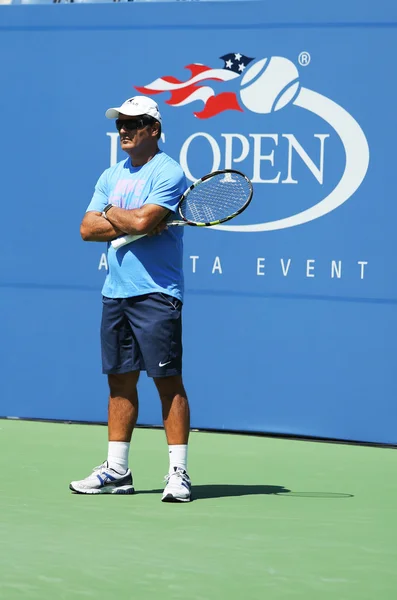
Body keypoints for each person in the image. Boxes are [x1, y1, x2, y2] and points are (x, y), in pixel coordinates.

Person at [69, 96, 191, 502]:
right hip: (115, 293)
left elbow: (140, 220)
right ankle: (118, 470)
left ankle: (178, 473)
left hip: (157, 294)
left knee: (166, 381)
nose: (125, 129)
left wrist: (119, 215)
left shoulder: (168, 171)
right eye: (121, 123)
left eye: (135, 123)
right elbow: (87, 229)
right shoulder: (111, 174)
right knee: (119, 381)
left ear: (153, 130)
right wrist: (124, 213)